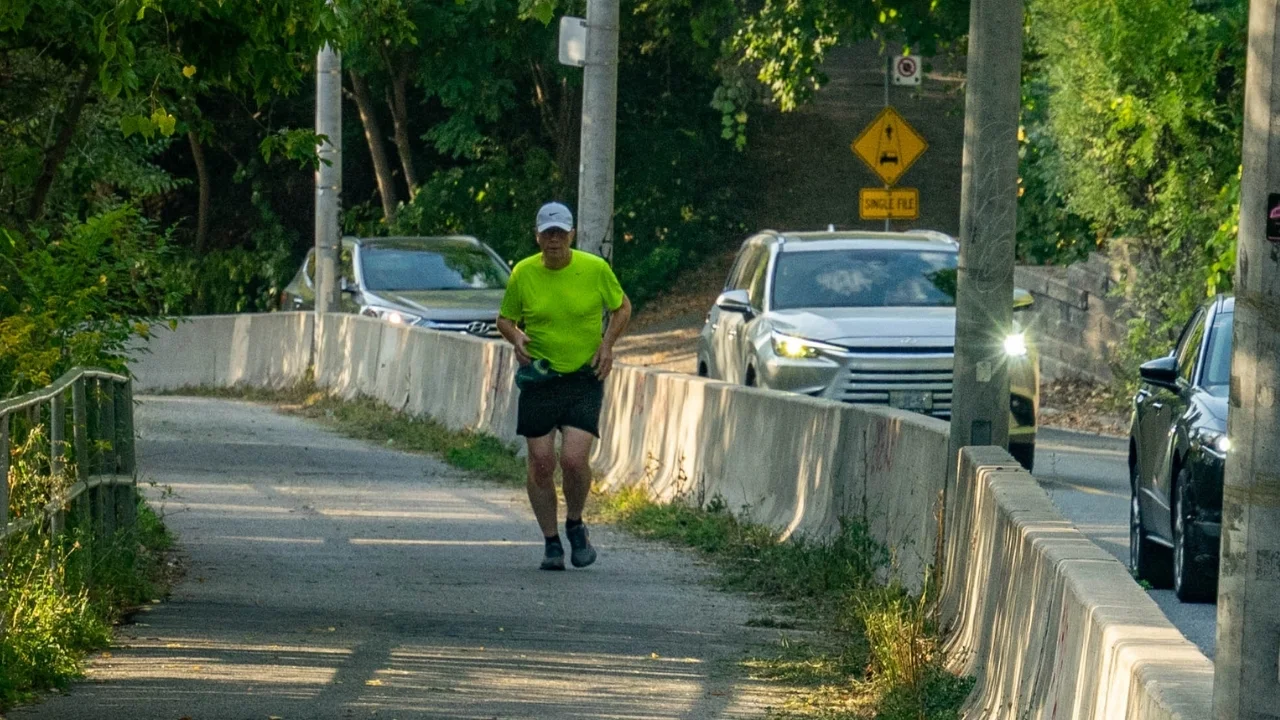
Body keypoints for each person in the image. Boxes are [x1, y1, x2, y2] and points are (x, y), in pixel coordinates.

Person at [496, 202, 632, 571]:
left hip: (583, 377)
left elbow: (622, 307)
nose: (554, 240)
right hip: (540, 378)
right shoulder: (524, 272)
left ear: (572, 234)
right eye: (547, 233)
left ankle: (575, 522)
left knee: (573, 460)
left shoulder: (595, 268)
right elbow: (505, 319)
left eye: (560, 233)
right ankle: (551, 541)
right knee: (542, 463)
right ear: (537, 236)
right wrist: (517, 338)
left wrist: (607, 345)